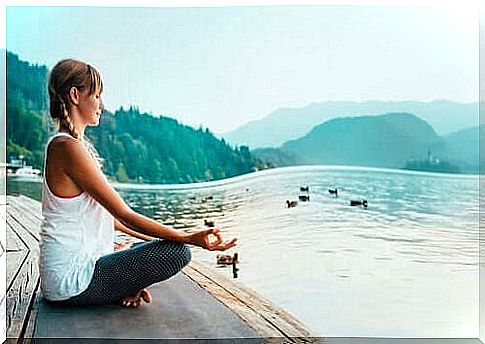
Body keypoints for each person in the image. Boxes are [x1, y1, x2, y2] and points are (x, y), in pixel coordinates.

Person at [40, 59, 237, 308]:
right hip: (72, 282)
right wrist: (187, 238)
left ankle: (128, 282)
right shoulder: (67, 147)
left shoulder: (70, 145)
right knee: (177, 252)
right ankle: (125, 283)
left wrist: (140, 266)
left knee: (152, 245)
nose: (101, 104)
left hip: (73, 274)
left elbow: (115, 222)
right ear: (75, 95)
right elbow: (124, 213)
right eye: (97, 95)